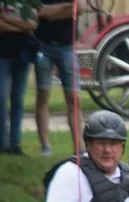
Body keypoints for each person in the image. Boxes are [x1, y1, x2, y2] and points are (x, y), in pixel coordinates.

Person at [0, 0, 37, 155]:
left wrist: (6, 20)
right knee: (1, 98)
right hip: (1, 55)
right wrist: (21, 27)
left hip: (22, 54)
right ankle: (1, 143)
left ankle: (15, 143)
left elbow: (33, 23)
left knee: (18, 99)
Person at [33, 0, 84, 157]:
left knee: (74, 99)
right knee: (43, 95)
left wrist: (50, 14)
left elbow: (80, 8)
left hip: (67, 47)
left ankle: (79, 148)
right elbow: (37, 12)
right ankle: (45, 145)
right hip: (43, 45)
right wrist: (65, 7)